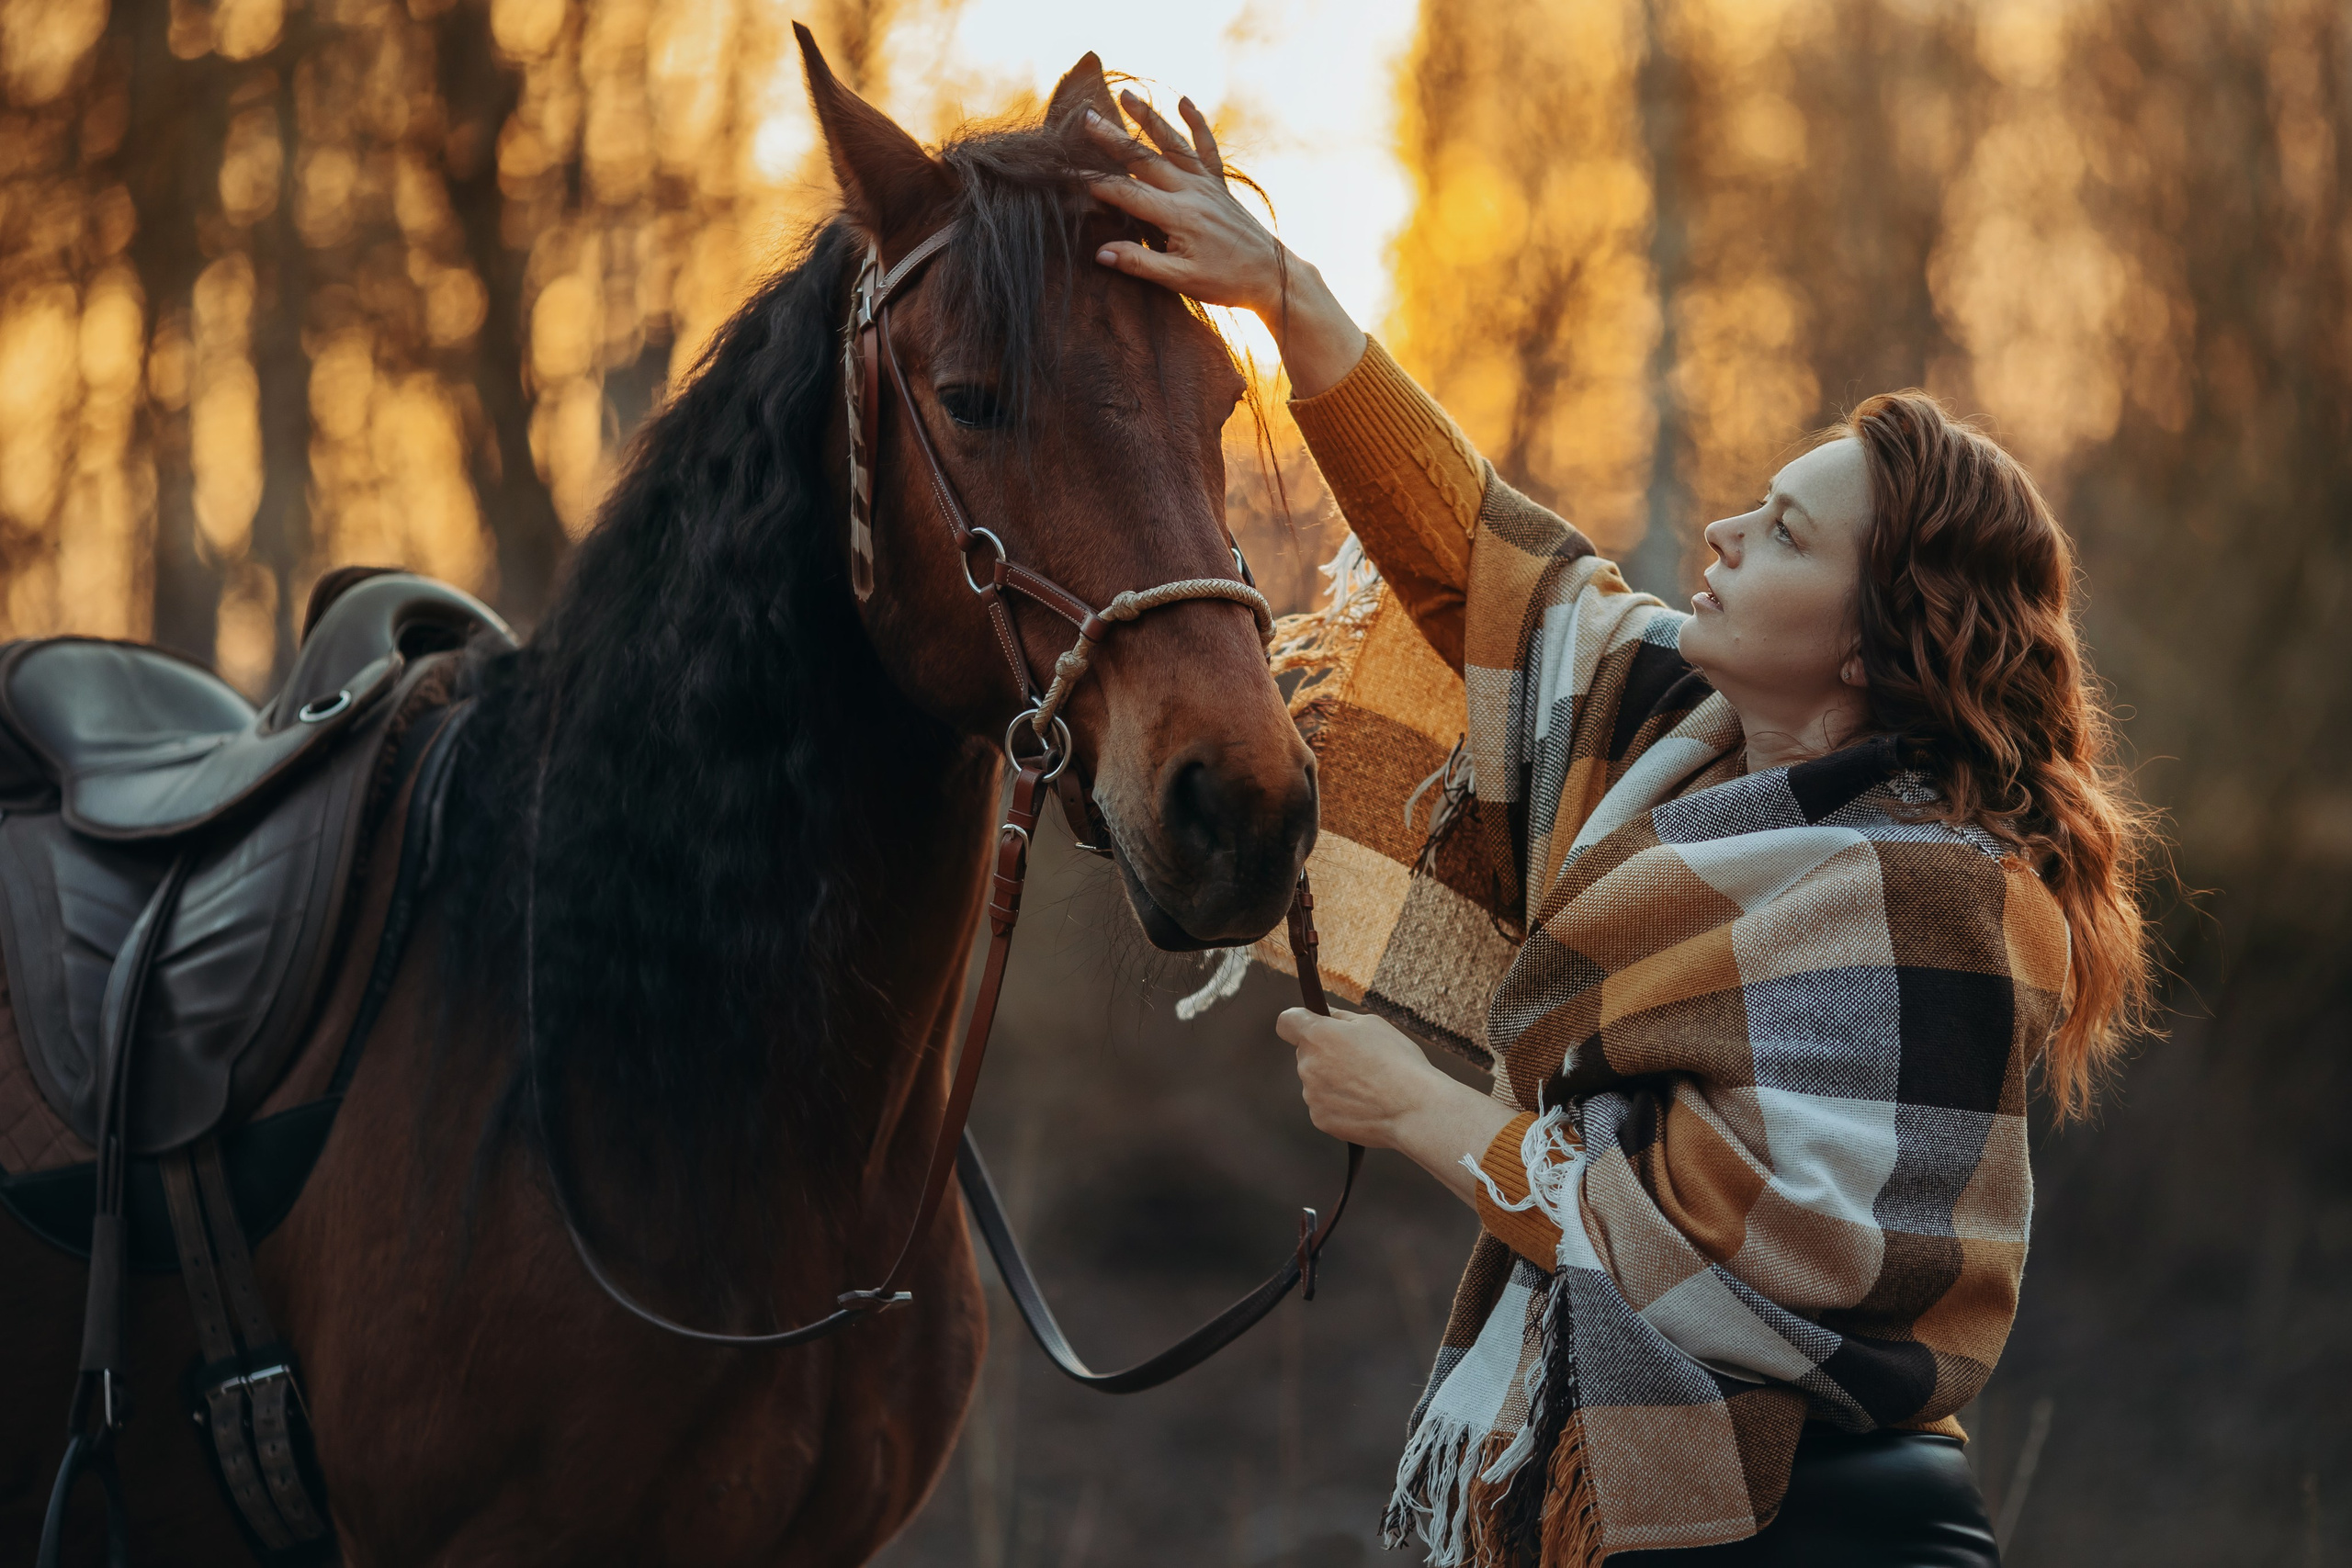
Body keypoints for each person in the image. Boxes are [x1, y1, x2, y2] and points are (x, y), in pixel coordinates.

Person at [1079, 92, 2156, 1568]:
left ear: (1870, 644)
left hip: (1811, 1527)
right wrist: (1284, 294)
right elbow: (1481, 559)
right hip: (1615, 1508)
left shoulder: (1939, 900)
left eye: (1783, 533)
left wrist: (1417, 1111)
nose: (1720, 536)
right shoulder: (1669, 748)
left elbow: (1727, 1250)